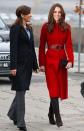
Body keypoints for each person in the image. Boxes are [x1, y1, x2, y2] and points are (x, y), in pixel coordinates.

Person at [39, 3, 74, 127]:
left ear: (62, 14)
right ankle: (58, 117)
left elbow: (69, 45)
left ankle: (50, 113)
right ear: (51, 13)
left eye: (59, 12)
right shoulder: (45, 27)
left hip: (62, 61)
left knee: (58, 89)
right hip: (49, 61)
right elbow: (42, 46)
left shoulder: (67, 27)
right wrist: (41, 64)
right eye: (55, 12)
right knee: (53, 87)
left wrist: (70, 60)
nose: (57, 14)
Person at [7, 5, 38, 131]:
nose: (30, 15)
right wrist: (13, 66)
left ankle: (12, 113)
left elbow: (32, 48)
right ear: (22, 15)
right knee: (20, 93)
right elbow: (13, 48)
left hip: (28, 65)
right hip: (18, 66)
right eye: (28, 13)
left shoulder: (29, 28)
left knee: (22, 91)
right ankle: (21, 123)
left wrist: (35, 65)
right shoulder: (15, 28)